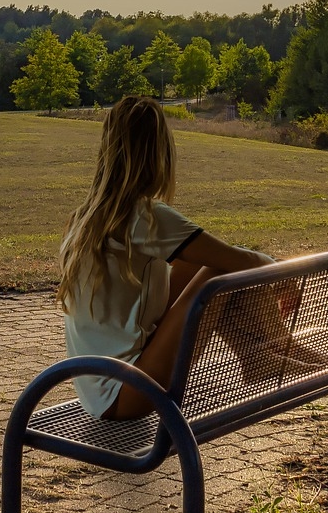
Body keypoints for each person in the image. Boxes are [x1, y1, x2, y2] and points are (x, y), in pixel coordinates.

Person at [58, 95, 306, 420]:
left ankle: (265, 355)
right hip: (129, 391)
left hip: (99, 386)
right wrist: (285, 277)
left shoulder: (85, 217)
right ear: (160, 152)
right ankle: (273, 351)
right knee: (218, 270)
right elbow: (238, 259)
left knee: (195, 261)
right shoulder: (144, 216)